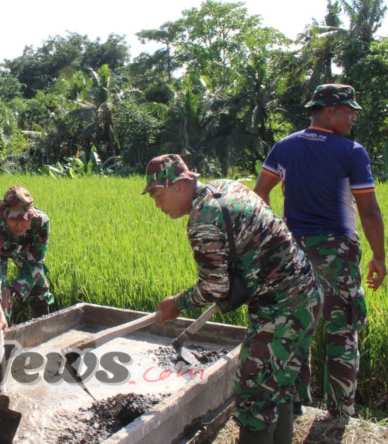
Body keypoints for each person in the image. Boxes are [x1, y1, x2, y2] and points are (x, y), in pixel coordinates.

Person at [145, 154, 321, 444]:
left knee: (254, 395)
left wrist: (176, 304)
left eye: (158, 195)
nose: (157, 205)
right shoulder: (226, 186)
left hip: (281, 307)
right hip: (305, 292)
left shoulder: (203, 220)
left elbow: (214, 287)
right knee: (278, 387)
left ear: (179, 186)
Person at [253, 83, 386, 420]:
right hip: (337, 253)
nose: (354, 118)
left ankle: (294, 403)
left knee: (294, 325)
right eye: (349, 111)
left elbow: (259, 195)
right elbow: (369, 211)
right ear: (329, 112)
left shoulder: (284, 147)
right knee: (342, 330)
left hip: (293, 251)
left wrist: (275, 235)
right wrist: (379, 256)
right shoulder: (352, 152)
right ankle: (340, 412)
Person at [0, 185, 53, 339]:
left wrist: (12, 290)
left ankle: (40, 335)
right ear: (5, 215)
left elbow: (35, 262)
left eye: (25, 220)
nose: (19, 226)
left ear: (31, 215)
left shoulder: (40, 222)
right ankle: (5, 337)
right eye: (13, 220)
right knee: (1, 300)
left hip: (22, 246)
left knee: (39, 287)